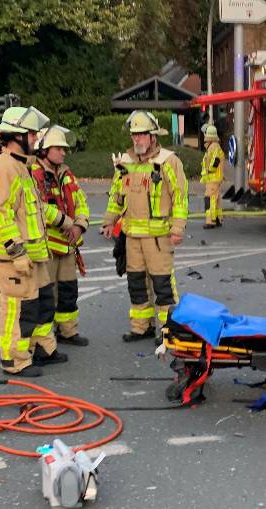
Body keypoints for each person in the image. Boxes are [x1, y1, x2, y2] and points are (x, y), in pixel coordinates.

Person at [101, 111, 189, 342]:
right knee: (136, 284)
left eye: (141, 135)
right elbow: (116, 196)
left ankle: (168, 331)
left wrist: (177, 228)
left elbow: (179, 196)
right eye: (134, 135)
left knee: (162, 287)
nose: (137, 140)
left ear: (152, 137)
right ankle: (141, 327)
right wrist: (109, 221)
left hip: (159, 238)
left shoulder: (168, 161)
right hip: (132, 238)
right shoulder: (126, 164)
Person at [0, 106, 58, 376]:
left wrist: (65, 221)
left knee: (37, 305)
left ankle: (39, 349)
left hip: (33, 254)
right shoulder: (5, 167)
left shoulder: (22, 166)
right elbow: (1, 214)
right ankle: (13, 360)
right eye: (31, 133)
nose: (35, 138)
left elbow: (35, 209)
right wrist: (16, 252)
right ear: (16, 136)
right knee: (16, 308)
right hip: (16, 257)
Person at [31, 125, 90, 349]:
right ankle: (43, 342)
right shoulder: (34, 174)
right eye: (59, 148)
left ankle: (68, 331)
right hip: (45, 247)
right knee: (46, 296)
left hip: (68, 244)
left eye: (64, 149)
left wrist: (80, 226)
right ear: (45, 150)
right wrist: (67, 222)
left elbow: (81, 202)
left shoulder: (66, 173)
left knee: (68, 291)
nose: (64, 152)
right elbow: (38, 208)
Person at [200, 124, 225, 229]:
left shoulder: (213, 147)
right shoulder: (214, 146)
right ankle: (218, 218)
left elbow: (216, 160)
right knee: (216, 199)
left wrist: (210, 170)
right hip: (215, 178)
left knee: (209, 199)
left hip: (213, 178)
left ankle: (210, 221)